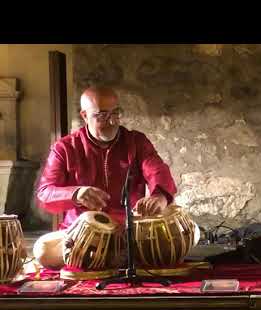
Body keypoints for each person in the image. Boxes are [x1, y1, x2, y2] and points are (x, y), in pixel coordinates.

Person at [33, 86, 193, 269]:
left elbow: (158, 171)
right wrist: (75, 194)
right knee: (42, 250)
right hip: (82, 236)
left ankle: (112, 259)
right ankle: (112, 259)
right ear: (84, 116)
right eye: (102, 116)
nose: (111, 122)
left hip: (131, 233)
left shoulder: (136, 142)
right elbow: (45, 193)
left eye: (115, 113)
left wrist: (160, 196)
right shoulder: (65, 148)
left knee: (184, 236)